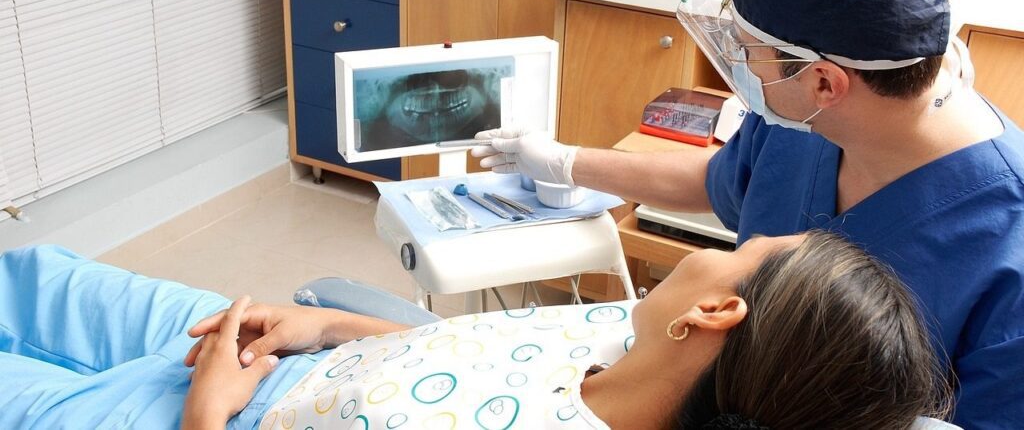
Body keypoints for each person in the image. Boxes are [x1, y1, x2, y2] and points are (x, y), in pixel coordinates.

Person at [471, 0, 1024, 427]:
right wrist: (568, 161)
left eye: (746, 50)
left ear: (825, 83)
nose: (737, 65)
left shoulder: (1007, 240)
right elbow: (721, 181)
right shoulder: (801, 122)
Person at [0, 232, 948, 429]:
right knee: (42, 279)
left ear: (715, 313)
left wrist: (209, 410)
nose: (734, 243)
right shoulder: (627, 338)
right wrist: (324, 321)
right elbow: (452, 352)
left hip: (214, 416)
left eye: (748, 252)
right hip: (287, 352)